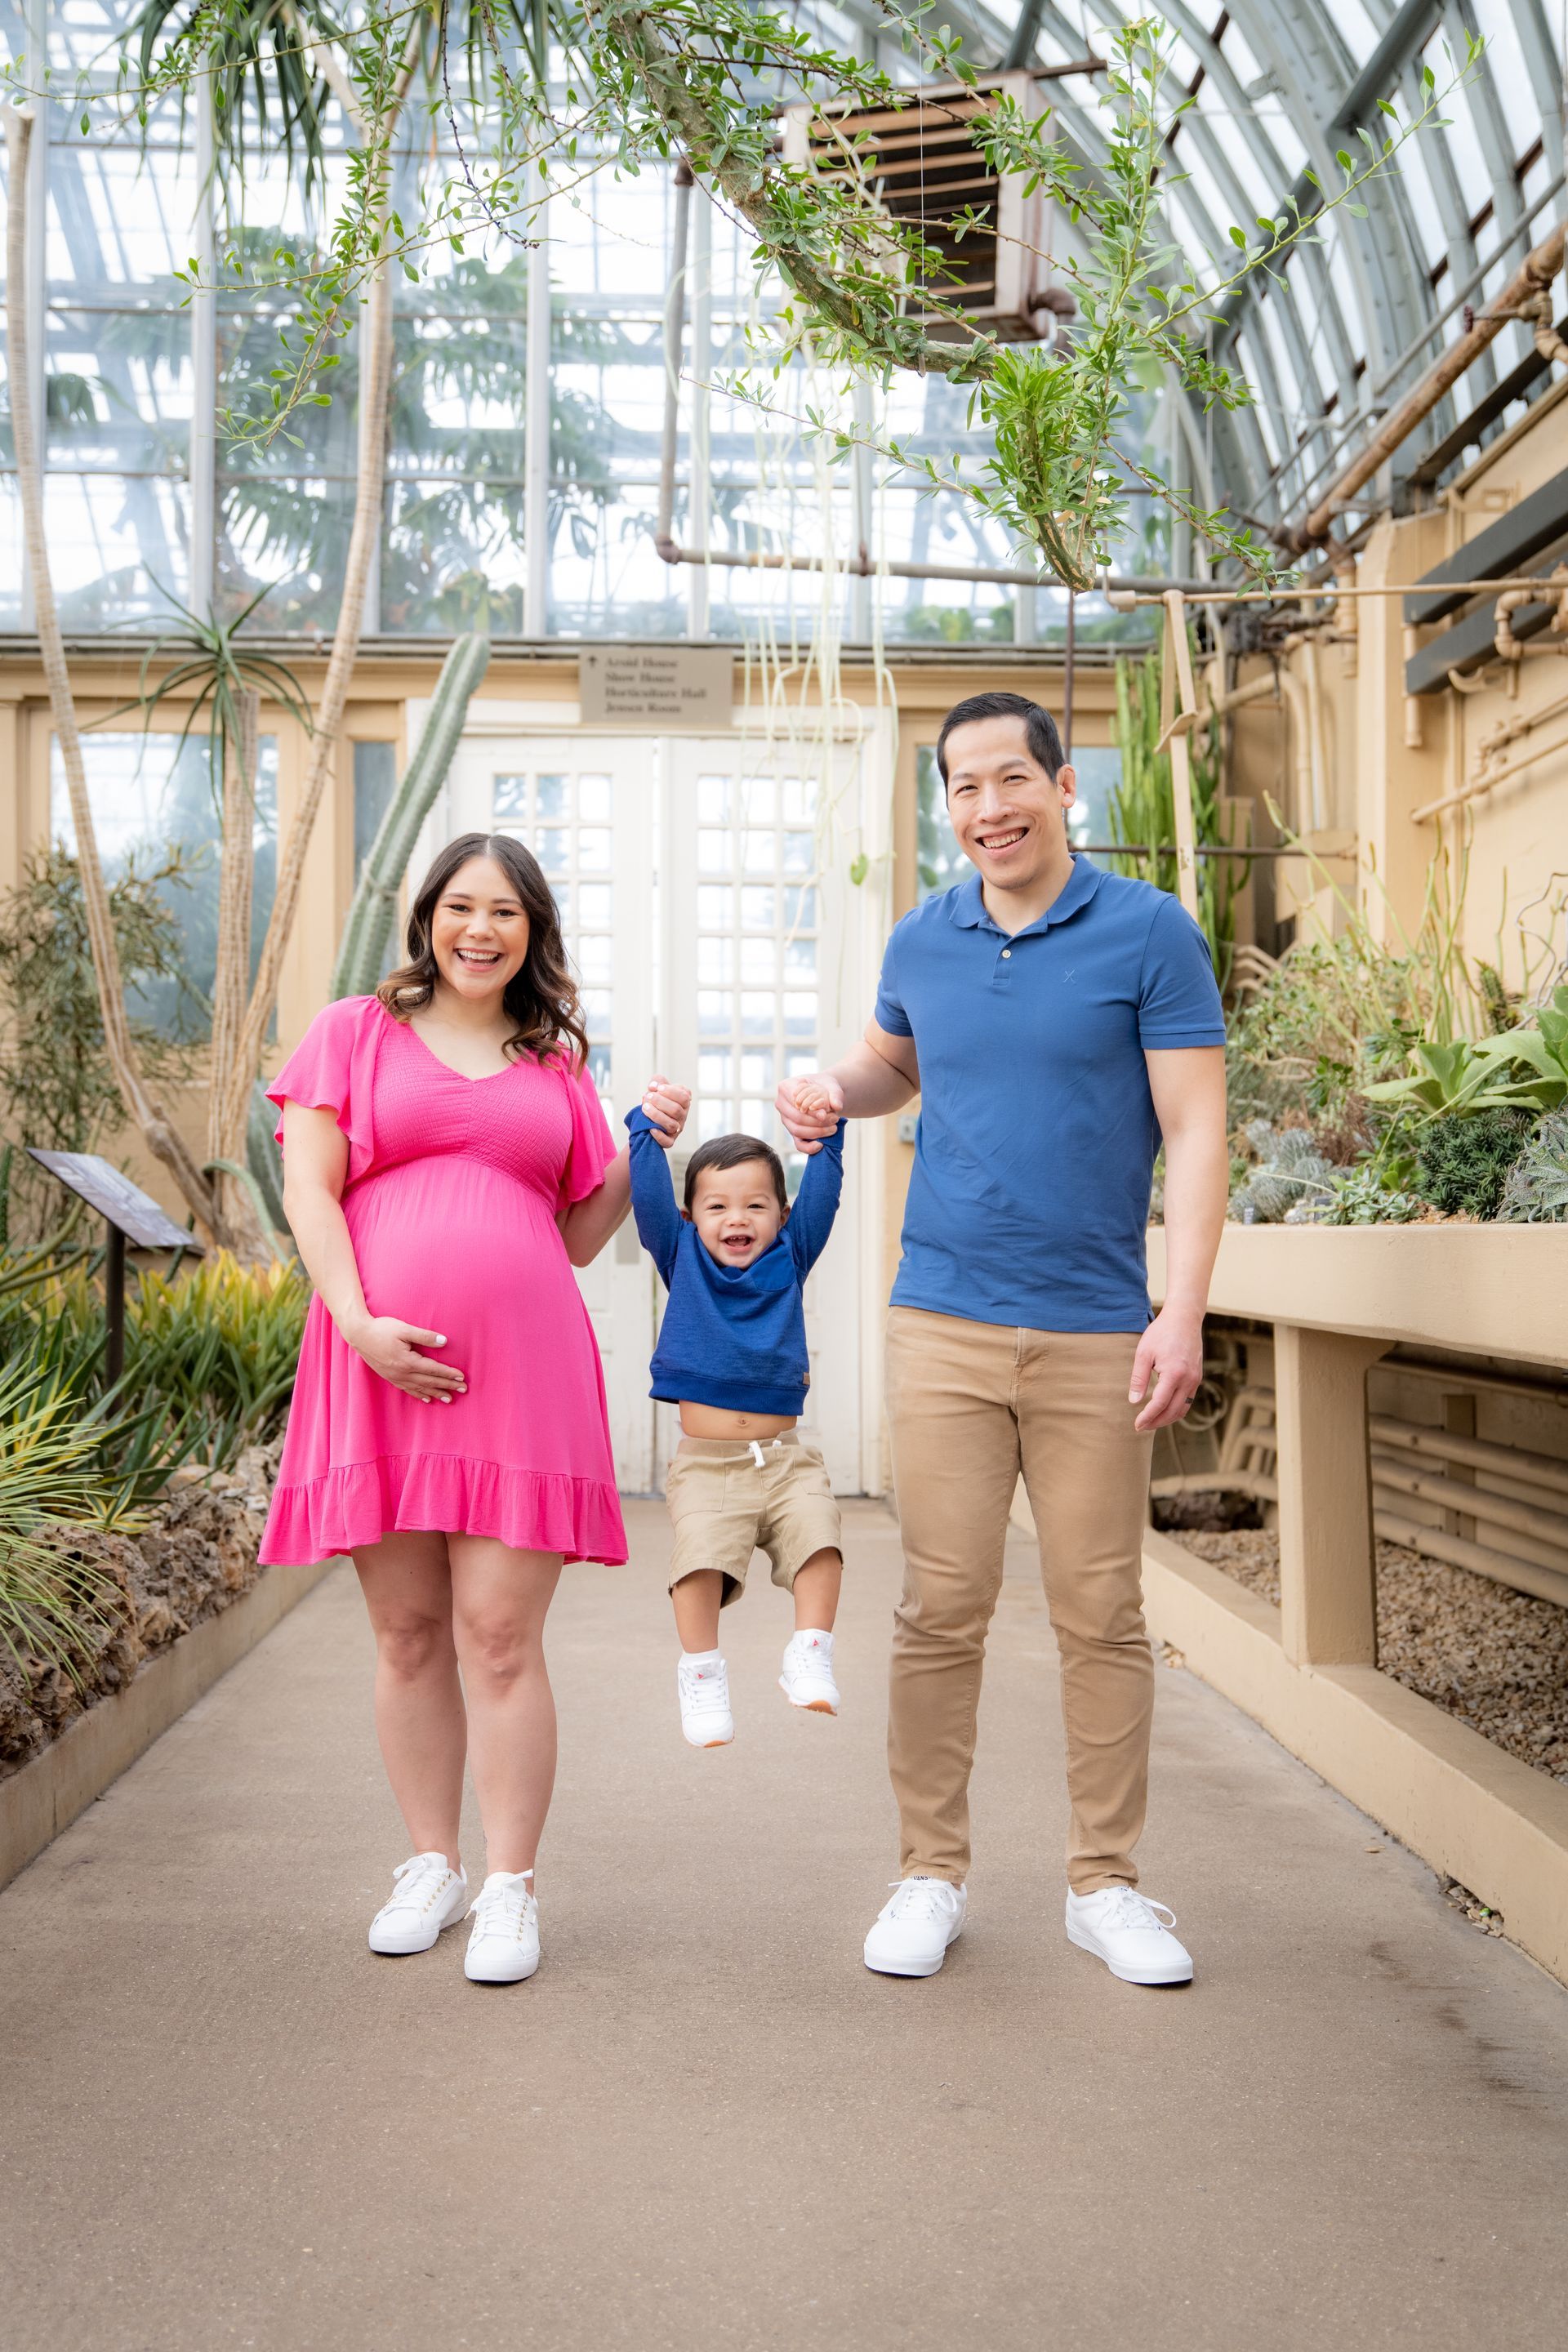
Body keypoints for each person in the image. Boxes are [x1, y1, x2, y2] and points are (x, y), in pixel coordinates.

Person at [776, 691, 1228, 1986]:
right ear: (948, 804)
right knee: (940, 1608)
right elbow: (892, 1066)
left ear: (1063, 783)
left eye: (1011, 780)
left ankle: (1108, 1886)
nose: (989, 808)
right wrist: (830, 1092)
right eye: (964, 788)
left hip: (1095, 1325)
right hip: (945, 1320)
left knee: (1100, 1611)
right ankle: (929, 1873)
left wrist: (1180, 1307)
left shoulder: (1148, 933)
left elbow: (1194, 1128)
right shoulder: (924, 939)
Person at [259, 831, 689, 1984]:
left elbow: (578, 1234)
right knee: (405, 1635)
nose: (480, 929)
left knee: (498, 1637)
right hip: (374, 1360)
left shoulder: (555, 1067)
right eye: (461, 907)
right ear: (429, 919)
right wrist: (356, 1322)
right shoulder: (356, 1030)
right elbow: (309, 1184)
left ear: (533, 933)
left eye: (506, 912)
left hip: (520, 1370)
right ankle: (431, 1864)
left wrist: (640, 1147)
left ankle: (509, 1887)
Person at [624, 1109, 847, 1748]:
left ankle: (810, 1651)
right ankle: (701, 1674)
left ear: (781, 1214)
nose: (737, 1218)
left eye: (755, 1205)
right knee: (698, 1562)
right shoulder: (681, 1256)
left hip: (785, 1458)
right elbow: (648, 1201)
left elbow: (824, 1197)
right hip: (707, 1465)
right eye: (717, 1206)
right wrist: (648, 1134)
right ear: (691, 1217)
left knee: (821, 1541)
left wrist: (827, 1136)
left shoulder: (791, 1255)